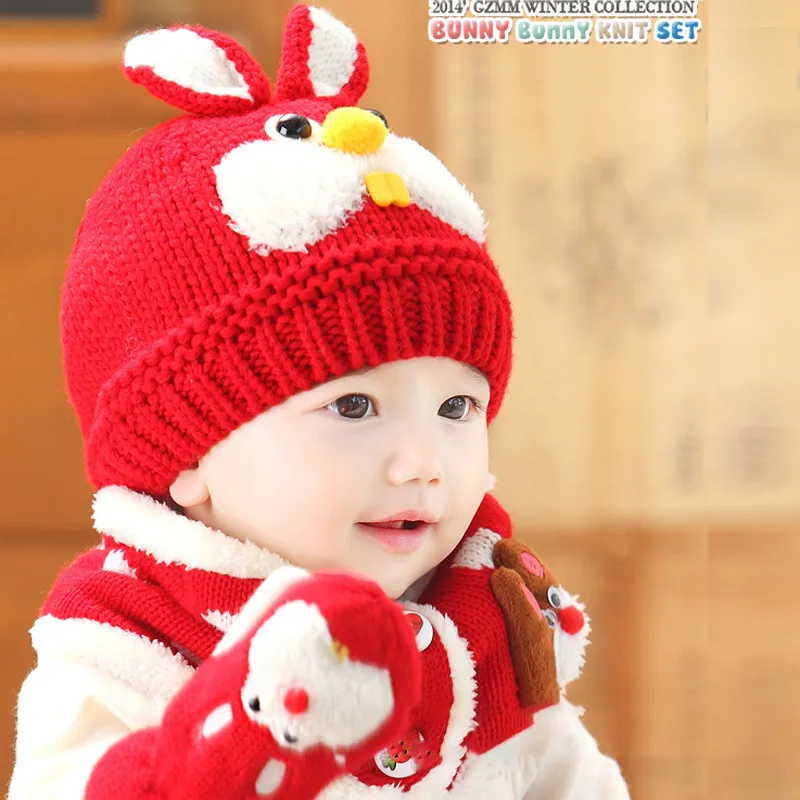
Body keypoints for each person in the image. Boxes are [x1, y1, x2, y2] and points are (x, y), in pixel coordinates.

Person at [8, 5, 630, 798]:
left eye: (456, 409)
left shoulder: (482, 623)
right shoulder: (122, 644)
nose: (423, 464)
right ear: (188, 451)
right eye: (355, 408)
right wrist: (245, 739)